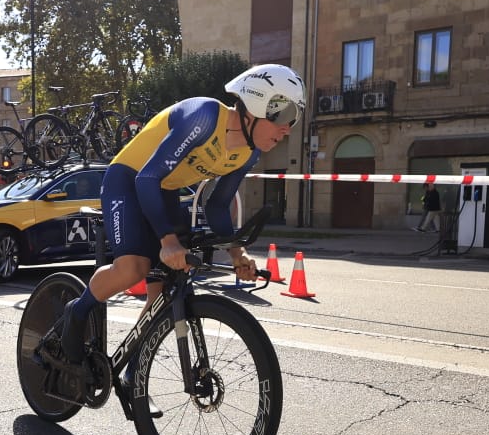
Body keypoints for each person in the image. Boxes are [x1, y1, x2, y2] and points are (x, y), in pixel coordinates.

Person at [53, 64, 305, 367]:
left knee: (165, 291)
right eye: (284, 115)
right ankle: (77, 311)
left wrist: (237, 254)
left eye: (294, 118)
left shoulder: (248, 153)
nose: (288, 128)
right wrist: (168, 241)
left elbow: (217, 207)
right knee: (133, 268)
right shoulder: (205, 117)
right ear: (255, 103)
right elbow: (146, 178)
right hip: (128, 179)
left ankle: (134, 372)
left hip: (164, 189)